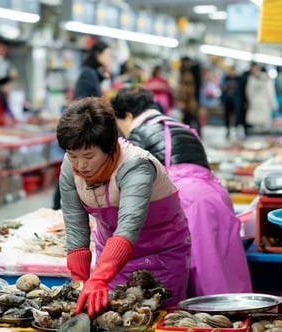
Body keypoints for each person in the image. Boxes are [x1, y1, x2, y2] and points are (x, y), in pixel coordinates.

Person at [111, 87, 252, 297]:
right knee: (223, 262)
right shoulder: (180, 126)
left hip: (188, 200)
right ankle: (236, 320)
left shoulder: (137, 136)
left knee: (202, 269)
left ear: (129, 116)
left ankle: (206, 323)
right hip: (216, 195)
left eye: (119, 122)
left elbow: (134, 189)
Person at [57, 97, 191, 317]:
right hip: (110, 258)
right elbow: (75, 221)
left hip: (161, 256)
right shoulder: (70, 165)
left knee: (156, 317)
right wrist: (80, 280)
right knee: (112, 318)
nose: (80, 164)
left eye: (89, 156)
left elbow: (128, 225)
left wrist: (99, 278)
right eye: (73, 155)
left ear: (109, 147)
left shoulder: (136, 165)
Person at [53, 40, 112, 210]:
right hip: (81, 135)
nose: (110, 59)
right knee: (72, 173)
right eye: (108, 55)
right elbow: (81, 104)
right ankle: (58, 210)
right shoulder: (88, 74)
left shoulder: (94, 74)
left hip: (84, 133)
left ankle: (61, 208)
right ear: (98, 55)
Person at [245, 65, 278, 132]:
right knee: (263, 127)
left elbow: (248, 92)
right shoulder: (267, 80)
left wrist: (251, 101)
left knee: (255, 126)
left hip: (254, 103)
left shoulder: (252, 79)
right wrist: (274, 105)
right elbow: (270, 94)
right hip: (264, 105)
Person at [178, 56, 202, 135]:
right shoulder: (182, 72)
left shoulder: (194, 72)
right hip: (185, 99)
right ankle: (187, 134)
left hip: (192, 99)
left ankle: (197, 134)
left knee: (194, 117)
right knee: (186, 118)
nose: (186, 64)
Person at [220, 67, 241, 138]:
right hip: (227, 100)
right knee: (227, 116)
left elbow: (240, 91)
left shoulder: (238, 79)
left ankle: (236, 129)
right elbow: (222, 89)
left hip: (235, 101)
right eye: (231, 71)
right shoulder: (225, 79)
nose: (232, 73)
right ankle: (228, 130)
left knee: (236, 116)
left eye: (233, 71)